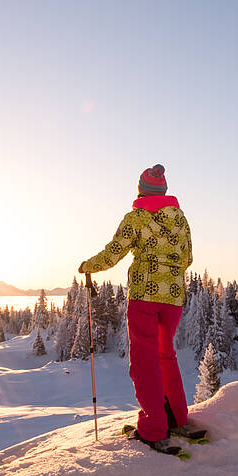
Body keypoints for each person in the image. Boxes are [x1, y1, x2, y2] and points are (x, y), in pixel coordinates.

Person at [79, 164, 199, 452]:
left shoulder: (136, 218)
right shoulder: (180, 219)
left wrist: (88, 266)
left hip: (144, 296)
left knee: (144, 364)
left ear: (141, 190)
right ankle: (177, 418)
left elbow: (114, 252)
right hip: (173, 298)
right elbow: (188, 258)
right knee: (165, 356)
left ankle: (154, 429)